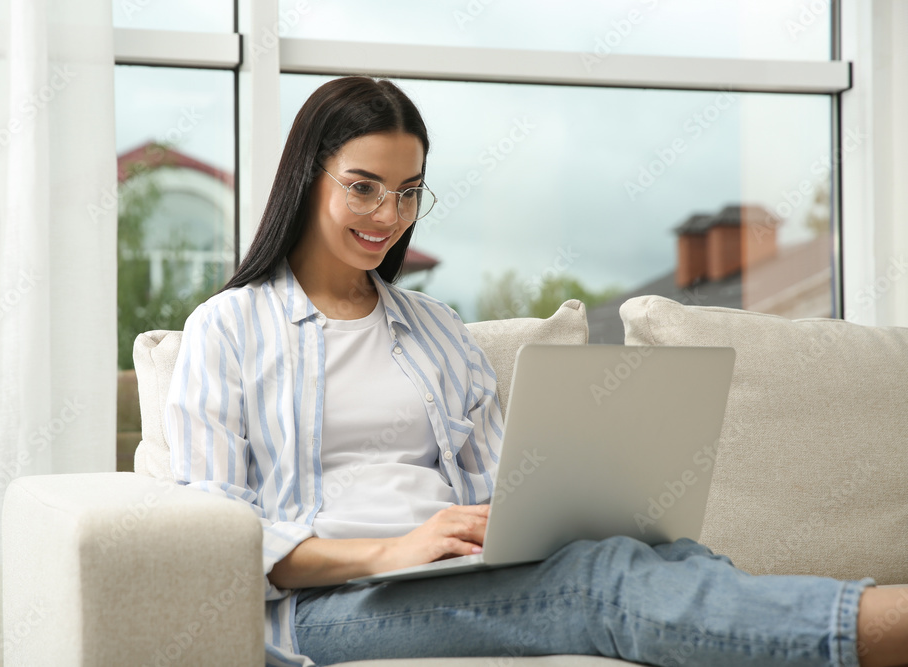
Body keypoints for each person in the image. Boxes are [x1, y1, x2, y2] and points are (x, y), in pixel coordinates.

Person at [164, 76, 908, 667]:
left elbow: (501, 485)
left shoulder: (434, 330)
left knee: (658, 554)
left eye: (409, 191)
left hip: (454, 572)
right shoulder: (226, 330)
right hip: (329, 607)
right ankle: (880, 627)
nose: (388, 215)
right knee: (601, 584)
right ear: (307, 176)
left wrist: (538, 516)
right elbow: (220, 541)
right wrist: (396, 548)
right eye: (363, 186)